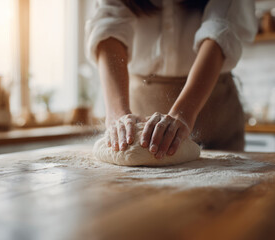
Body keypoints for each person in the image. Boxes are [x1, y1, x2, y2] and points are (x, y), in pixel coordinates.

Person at [85, 0, 257, 159]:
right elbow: (108, 28)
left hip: (215, 109)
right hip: (139, 102)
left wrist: (184, 113)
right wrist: (117, 113)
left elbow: (220, 30)